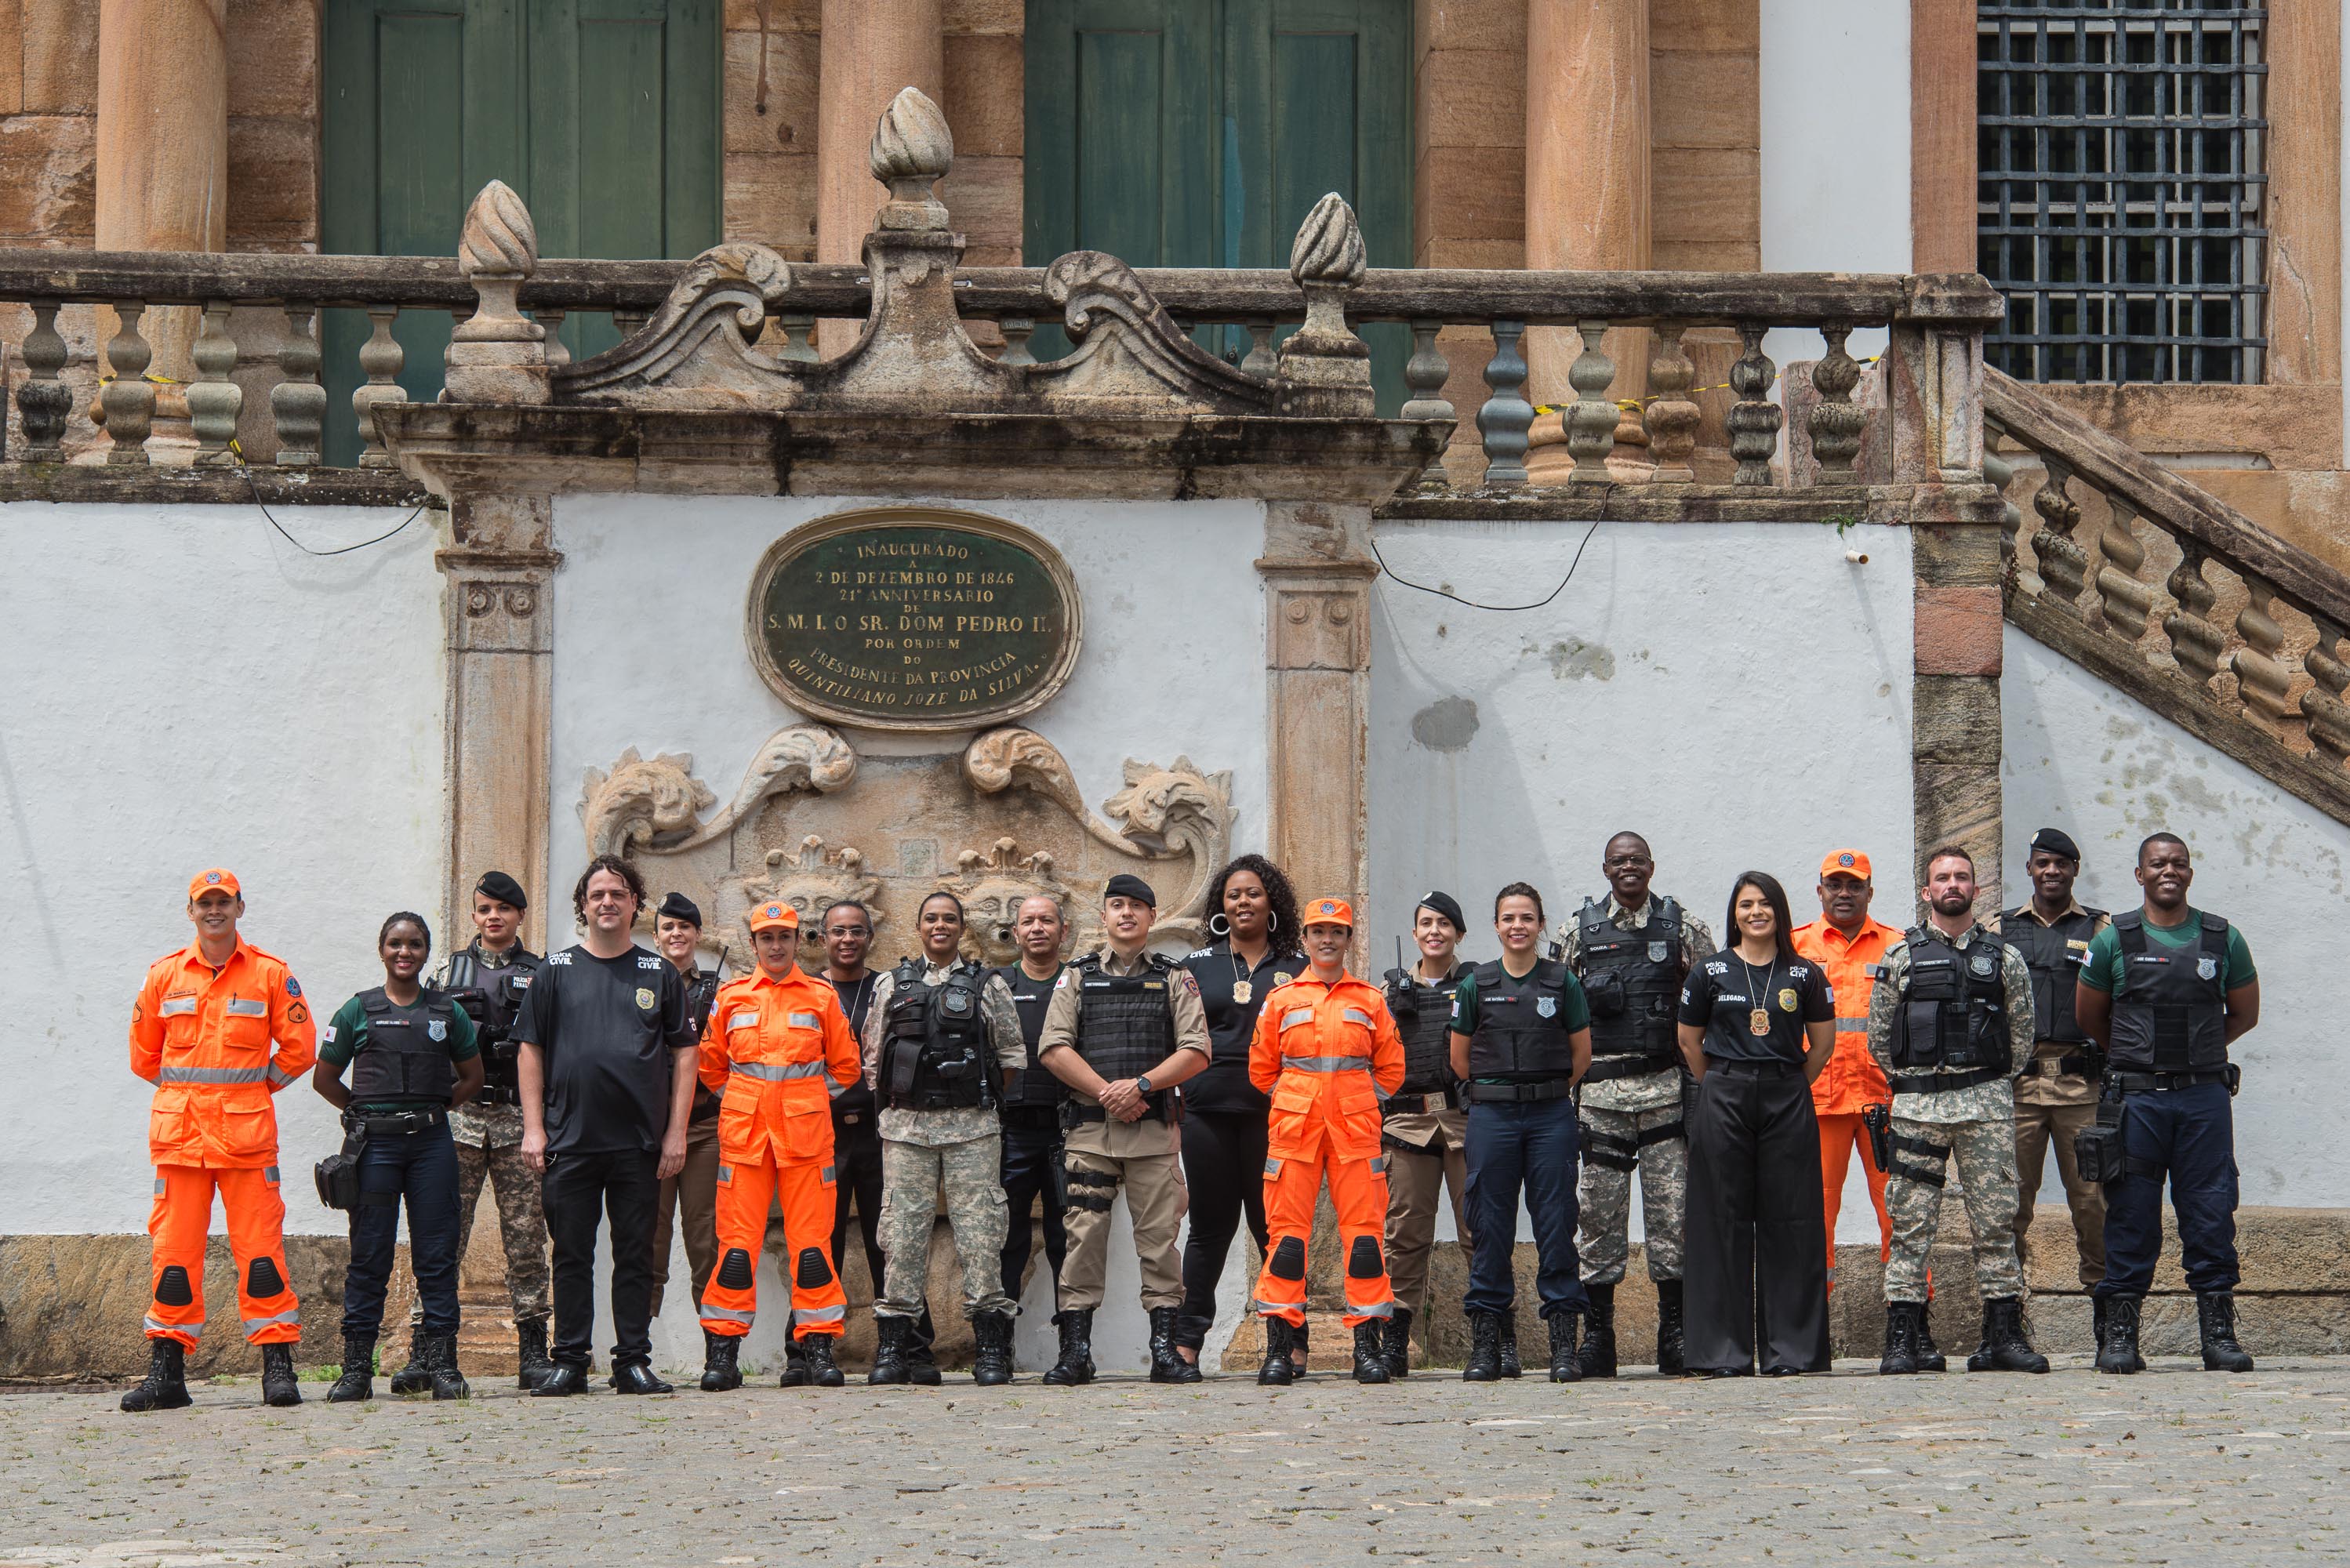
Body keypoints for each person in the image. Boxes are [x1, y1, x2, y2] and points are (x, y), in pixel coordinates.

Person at [121, 869, 317, 1414]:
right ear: (191, 911)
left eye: (223, 902)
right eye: (204, 903)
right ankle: (167, 1373)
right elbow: (143, 1056)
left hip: (246, 1140)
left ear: (239, 908)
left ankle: (278, 1368)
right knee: (174, 1256)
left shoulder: (270, 975)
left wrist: (257, 1090)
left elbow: (299, 1049)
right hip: (181, 1140)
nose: (214, 911)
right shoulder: (164, 977)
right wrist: (187, 1097)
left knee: (261, 1253)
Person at [514, 854, 701, 1396]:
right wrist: (533, 1128)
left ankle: (631, 1362)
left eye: (618, 894)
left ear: (634, 905)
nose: (607, 902)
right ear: (583, 905)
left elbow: (685, 1055)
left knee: (635, 1255)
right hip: (568, 1141)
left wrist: (674, 1133)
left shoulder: (659, 974)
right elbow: (530, 1050)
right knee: (571, 1254)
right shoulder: (554, 971)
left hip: (639, 1145)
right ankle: (570, 1361)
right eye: (597, 894)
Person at [2075, 832, 2261, 1375]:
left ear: (2189, 873)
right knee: (2130, 1214)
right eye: (2157, 863)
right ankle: (2120, 1337)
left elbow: (2243, 1014)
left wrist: (2194, 1054)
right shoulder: (2113, 939)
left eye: (2178, 863)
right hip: (2136, 1100)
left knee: (2208, 1212)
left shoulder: (2222, 938)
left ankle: (2218, 1334)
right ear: (2139, 874)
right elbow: (2089, 1018)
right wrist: (2139, 1057)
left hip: (2202, 1098)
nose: (2168, 871)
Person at [1866, 848, 2047, 1375]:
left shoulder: (2004, 958)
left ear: (1975, 889)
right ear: (1926, 891)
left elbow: (2020, 1039)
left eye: (1961, 877)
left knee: (1994, 1224)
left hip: (1985, 1109)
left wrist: (1979, 1084)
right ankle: (1903, 1336)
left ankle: (2001, 1338)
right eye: (1941, 877)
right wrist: (1921, 1083)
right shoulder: (1899, 958)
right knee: (1909, 1226)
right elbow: (1880, 1041)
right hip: (1918, 1108)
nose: (1951, 884)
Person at [1035, 874, 1211, 1385]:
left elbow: (1197, 1050)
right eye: (1117, 905)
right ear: (1104, 916)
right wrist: (1106, 1092)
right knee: (1083, 1238)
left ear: (1153, 917)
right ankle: (1076, 1352)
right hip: (1090, 1133)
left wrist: (1140, 1085)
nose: (1127, 913)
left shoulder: (1175, 978)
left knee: (1159, 1242)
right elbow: (1053, 1047)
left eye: (1137, 905)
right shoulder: (1077, 976)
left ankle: (1164, 1350)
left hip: (1153, 1134)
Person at [311, 912, 486, 1403]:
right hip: (375, 1150)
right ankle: (355, 1372)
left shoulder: (446, 1012)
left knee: (436, 1258)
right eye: (395, 943)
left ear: (426, 951)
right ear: (381, 949)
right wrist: (364, 1114)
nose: (404, 952)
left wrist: (433, 1111)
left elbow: (471, 1078)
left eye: (414, 944)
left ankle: (444, 1367)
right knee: (370, 1257)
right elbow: (324, 1079)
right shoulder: (356, 1011)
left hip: (431, 1147)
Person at [1560, 833, 1713, 1378]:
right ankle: (1597, 1338)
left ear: (1651, 867)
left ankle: (1674, 1334)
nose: (1629, 868)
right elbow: (1556, 1009)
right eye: (1619, 861)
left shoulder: (1683, 928)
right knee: (1598, 1219)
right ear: (1604, 869)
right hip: (1599, 1100)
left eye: (1638, 861)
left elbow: (1713, 1001)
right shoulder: (1576, 932)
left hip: (1665, 1096)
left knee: (1672, 1220)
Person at [860, 891, 1027, 1385]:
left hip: (973, 1130)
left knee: (981, 1238)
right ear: (919, 926)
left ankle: (992, 1351)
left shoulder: (986, 984)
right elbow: (873, 1061)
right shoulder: (893, 983)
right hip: (907, 1130)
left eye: (949, 919)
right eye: (931, 918)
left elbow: (1012, 1056)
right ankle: (896, 1350)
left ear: (961, 928)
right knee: (902, 1237)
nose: (940, 926)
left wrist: (969, 1100)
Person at [695, 900, 860, 1391]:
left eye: (783, 937)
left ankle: (818, 1352)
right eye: (766, 937)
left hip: (807, 1142)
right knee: (735, 1251)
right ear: (754, 944)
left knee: (812, 1249)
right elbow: (711, 1067)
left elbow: (847, 1067)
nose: (775, 945)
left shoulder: (821, 997)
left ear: (796, 942)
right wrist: (745, 1101)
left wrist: (804, 1102)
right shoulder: (730, 997)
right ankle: (723, 1356)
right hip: (745, 1141)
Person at [1678, 872, 1837, 1377]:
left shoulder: (1806, 974)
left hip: (1787, 1095)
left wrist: (1783, 1082)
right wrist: (1726, 1083)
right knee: (1718, 1221)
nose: (1756, 913)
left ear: (1780, 912)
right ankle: (1721, 1352)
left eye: (1765, 904)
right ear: (1735, 913)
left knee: (1791, 1221)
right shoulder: (1710, 971)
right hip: (1722, 1092)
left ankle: (1790, 1351)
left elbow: (1824, 1045)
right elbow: (1689, 1042)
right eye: (1746, 904)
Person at [1250, 896, 1406, 1385]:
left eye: (1336, 932)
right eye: (1318, 931)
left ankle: (1367, 1349)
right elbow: (1261, 1071)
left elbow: (1392, 1069)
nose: (1326, 939)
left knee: (1364, 1242)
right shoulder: (1281, 1000)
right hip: (1294, 1133)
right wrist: (1299, 1098)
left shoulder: (1370, 1000)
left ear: (1348, 940)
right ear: (1305, 938)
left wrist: (1358, 1098)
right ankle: (1280, 1350)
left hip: (1356, 1134)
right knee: (1287, 1242)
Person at [409, 869, 552, 1392]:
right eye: (484, 908)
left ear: (520, 915)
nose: (493, 917)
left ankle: (533, 1354)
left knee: (526, 1242)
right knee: (442, 1239)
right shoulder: (447, 972)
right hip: (459, 1123)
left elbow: (557, 1050)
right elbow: (423, 1042)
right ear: (473, 915)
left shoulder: (544, 974)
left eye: (503, 909)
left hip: (519, 1122)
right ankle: (425, 1352)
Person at [1448, 883, 1593, 1383]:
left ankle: (1562, 1349)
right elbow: (1459, 1060)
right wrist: (1501, 1094)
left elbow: (1582, 1056)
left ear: (1540, 924)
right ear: (1496, 925)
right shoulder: (1476, 984)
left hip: (1550, 1116)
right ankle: (1488, 1348)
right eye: (1509, 918)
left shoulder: (1561, 981)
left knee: (1556, 1225)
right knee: (1489, 1226)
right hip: (1493, 1117)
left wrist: (1544, 1092)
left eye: (1527, 918)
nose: (1518, 926)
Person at [792, 898, 935, 1381]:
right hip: (821, 1134)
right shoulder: (808, 990)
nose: (847, 939)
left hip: (882, 1133)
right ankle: (807, 1354)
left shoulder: (890, 987)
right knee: (818, 1244)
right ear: (821, 938)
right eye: (837, 931)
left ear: (870, 937)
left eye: (856, 931)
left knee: (892, 1243)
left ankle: (912, 1350)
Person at [1179, 855, 1306, 1372]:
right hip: (1205, 1112)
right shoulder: (1196, 965)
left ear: (1271, 900)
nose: (1243, 902)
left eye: (1253, 893)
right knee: (1208, 1229)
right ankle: (1186, 1343)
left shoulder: (1297, 967)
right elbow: (1179, 1037)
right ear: (1221, 905)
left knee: (1275, 1230)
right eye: (1234, 894)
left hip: (1275, 1118)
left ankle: (1289, 1341)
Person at [1993, 828, 2111, 1322]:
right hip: (2017, 1088)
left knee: (2093, 1204)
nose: (2052, 872)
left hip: (2081, 1088)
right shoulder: (2000, 931)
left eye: (2061, 864)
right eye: (2043, 863)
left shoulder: (2102, 930)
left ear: (2074, 871)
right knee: (2009, 1205)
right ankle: (2006, 1320)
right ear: (2030, 869)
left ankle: (2110, 1314)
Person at [1790, 851, 1905, 1303]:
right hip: (1819, 1101)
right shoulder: (1795, 946)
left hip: (1885, 1101)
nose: (1844, 893)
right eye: (1835, 885)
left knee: (1902, 1213)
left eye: (1854, 885)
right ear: (1819, 890)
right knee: (1812, 1217)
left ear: (1869, 892)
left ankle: (1910, 1318)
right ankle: (1809, 1322)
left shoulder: (1898, 945)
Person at [1376, 891, 1474, 1378]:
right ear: (1414, 934)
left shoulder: (1480, 982)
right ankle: (1396, 1339)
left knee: (1478, 1231)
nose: (1435, 931)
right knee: (1405, 1234)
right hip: (1406, 1122)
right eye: (1426, 923)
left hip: (1464, 1121)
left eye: (1444, 923)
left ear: (1458, 932)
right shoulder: (1388, 990)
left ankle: (1492, 1334)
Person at [993, 895, 1071, 1327]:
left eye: (1047, 920)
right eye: (1029, 921)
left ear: (1063, 930)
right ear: (1016, 931)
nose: (1037, 928)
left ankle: (1073, 1345)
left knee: (1068, 1238)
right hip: (1012, 1132)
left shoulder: (1077, 982)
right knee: (1007, 1240)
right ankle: (998, 1344)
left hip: (1068, 1129)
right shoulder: (997, 984)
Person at [648, 891, 725, 1325]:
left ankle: (718, 1341)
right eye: (667, 927)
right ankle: (635, 1351)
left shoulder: (720, 991)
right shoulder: (639, 984)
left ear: (698, 934)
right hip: (649, 1129)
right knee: (648, 1239)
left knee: (706, 1239)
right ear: (657, 936)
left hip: (704, 1128)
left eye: (684, 926)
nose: (676, 933)